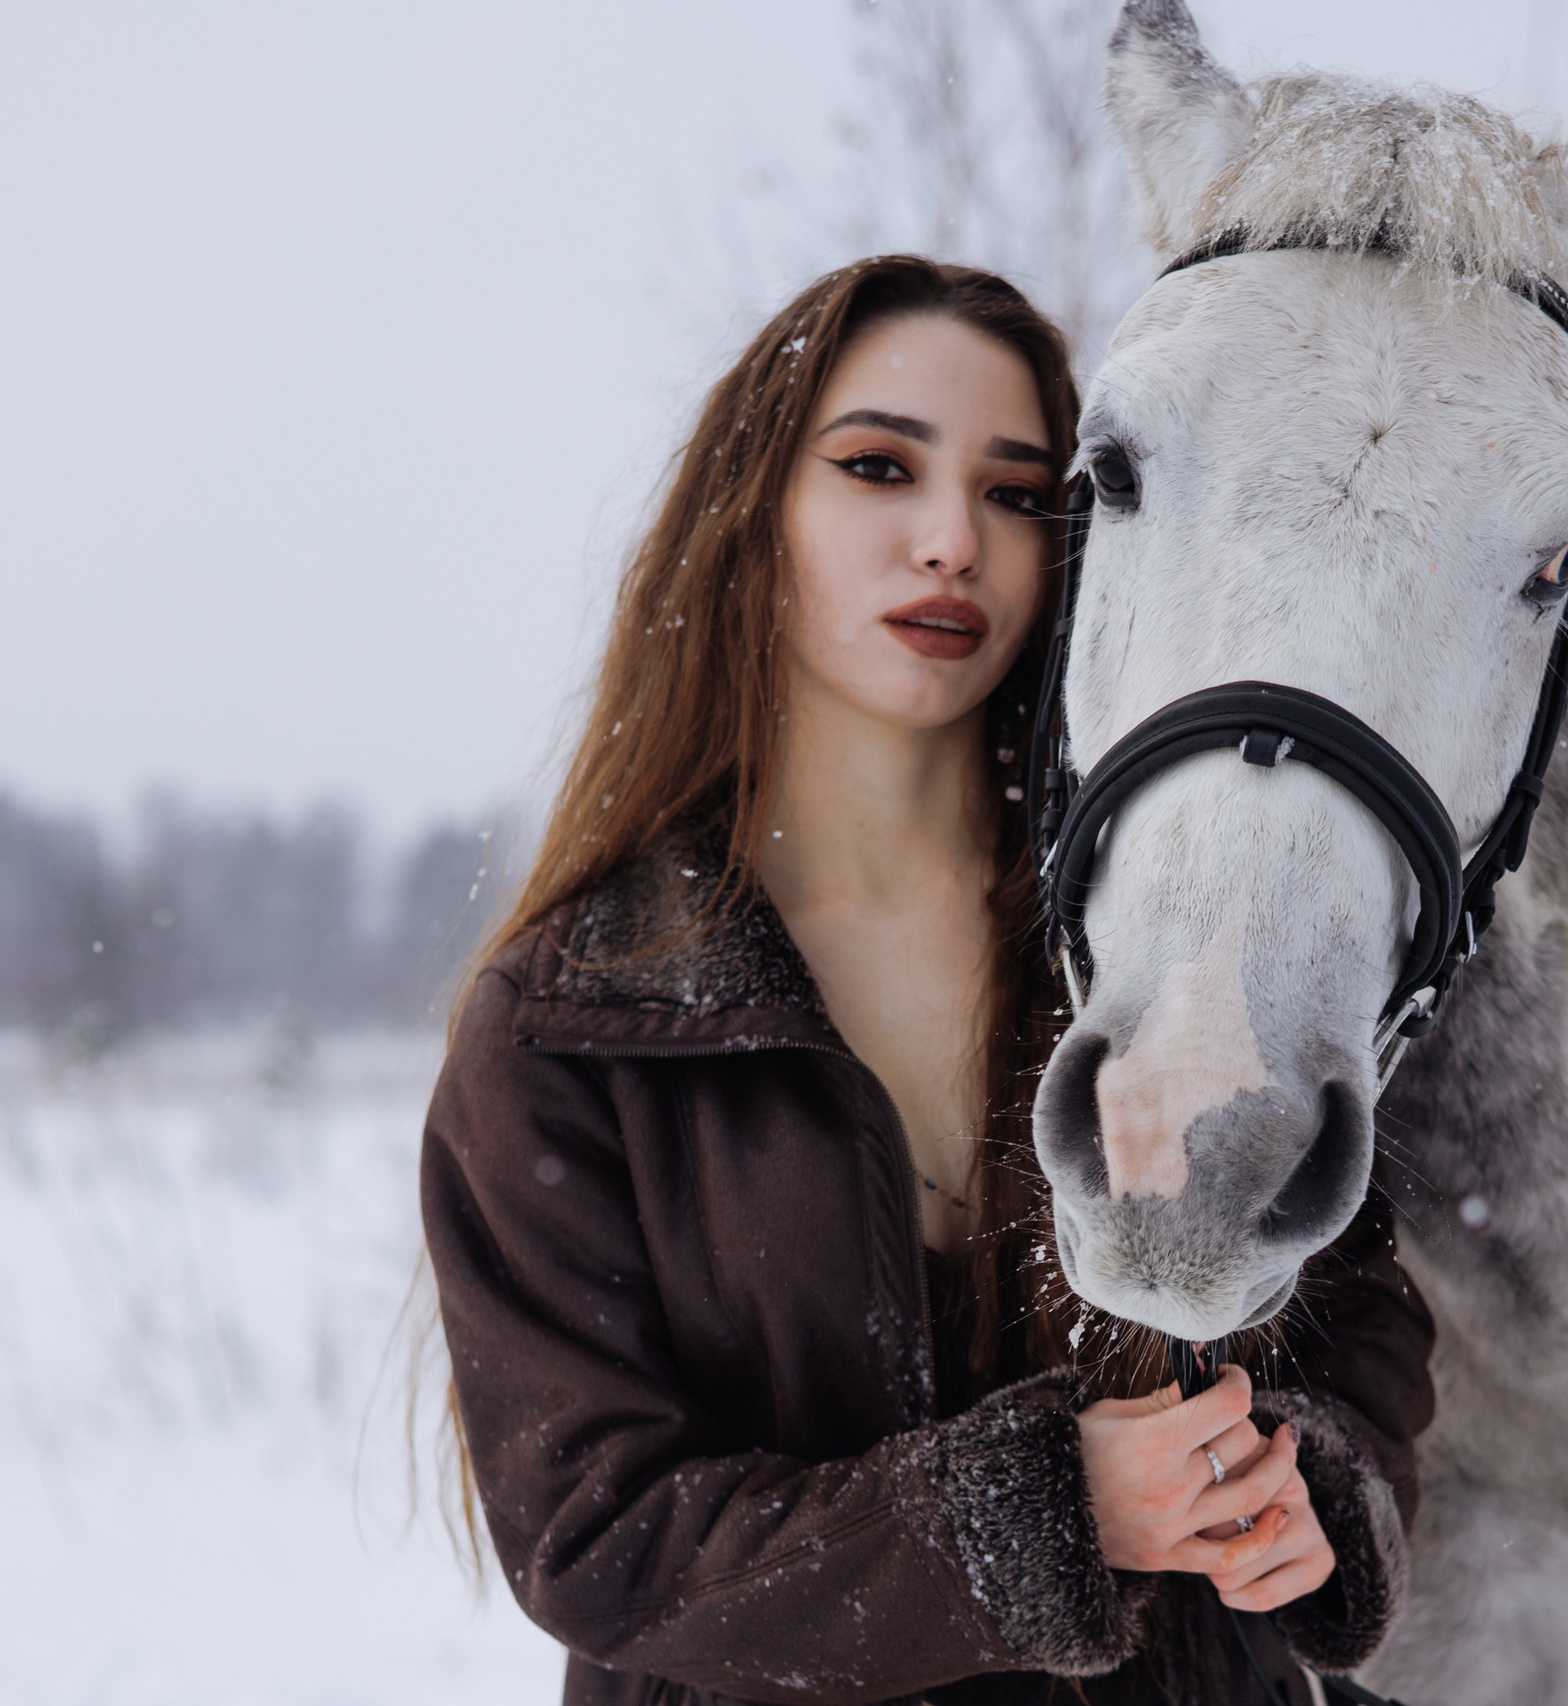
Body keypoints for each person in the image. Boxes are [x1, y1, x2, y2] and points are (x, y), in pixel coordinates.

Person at [420, 256, 1433, 1706]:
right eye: (880, 467)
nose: (953, 539)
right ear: (754, 512)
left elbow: (1360, 1306)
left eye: (1019, 492)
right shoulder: (577, 1018)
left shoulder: (1157, 953)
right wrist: (1035, 1519)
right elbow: (601, 1527)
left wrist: (1308, 1482)